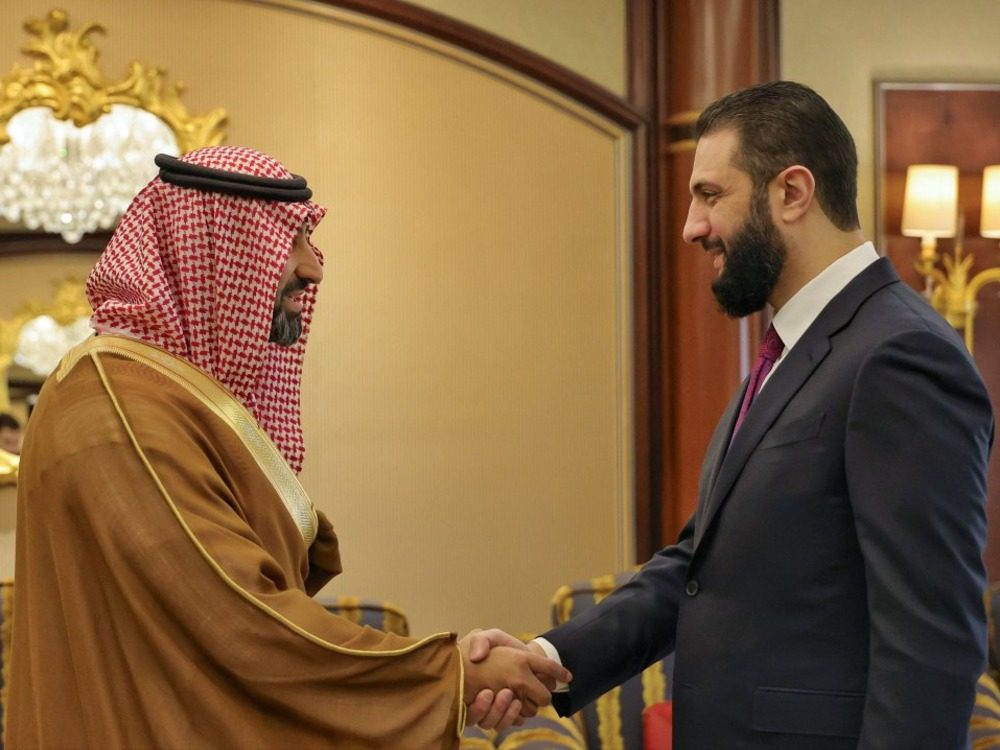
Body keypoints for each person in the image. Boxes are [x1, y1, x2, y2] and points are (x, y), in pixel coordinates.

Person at [474, 81, 994, 748]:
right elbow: (699, 566)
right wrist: (545, 657)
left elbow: (931, 644)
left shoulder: (901, 355)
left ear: (792, 192)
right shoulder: (794, 349)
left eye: (710, 195)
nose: (691, 227)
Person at [8, 146, 568, 749]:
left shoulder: (157, 395)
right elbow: (235, 618)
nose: (312, 268)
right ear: (216, 256)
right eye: (290, 241)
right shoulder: (115, 406)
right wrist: (450, 673)